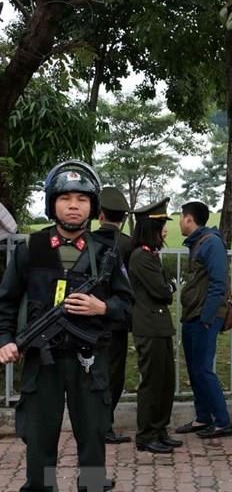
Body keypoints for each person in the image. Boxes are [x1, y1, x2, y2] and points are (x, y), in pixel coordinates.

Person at [0, 160, 133, 492]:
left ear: (92, 206)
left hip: (89, 362)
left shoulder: (105, 252)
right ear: (52, 204)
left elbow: (129, 307)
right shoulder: (33, 247)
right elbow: (6, 303)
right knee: (41, 439)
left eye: (81, 199)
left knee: (92, 435)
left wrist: (102, 307)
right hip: (43, 363)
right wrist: (6, 340)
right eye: (64, 199)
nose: (73, 206)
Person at [175, 200, 232, 439]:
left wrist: (208, 317)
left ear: (189, 219)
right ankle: (202, 418)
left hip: (204, 316)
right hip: (194, 315)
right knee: (195, 369)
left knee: (203, 370)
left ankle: (223, 421)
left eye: (181, 217)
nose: (179, 222)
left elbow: (219, 283)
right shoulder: (198, 243)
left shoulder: (212, 244)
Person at [129, 198, 181, 454]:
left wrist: (167, 287)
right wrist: (169, 287)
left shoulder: (150, 256)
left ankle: (159, 429)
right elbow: (163, 291)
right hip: (149, 326)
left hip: (159, 325)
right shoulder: (141, 257)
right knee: (152, 382)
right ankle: (146, 434)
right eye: (162, 225)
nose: (166, 230)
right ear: (151, 228)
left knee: (165, 381)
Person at [93, 186, 134, 445]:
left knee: (93, 373)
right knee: (115, 374)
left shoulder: (88, 242)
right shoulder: (130, 244)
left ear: (100, 215)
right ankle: (105, 424)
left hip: (89, 320)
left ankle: (93, 423)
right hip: (118, 320)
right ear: (123, 217)